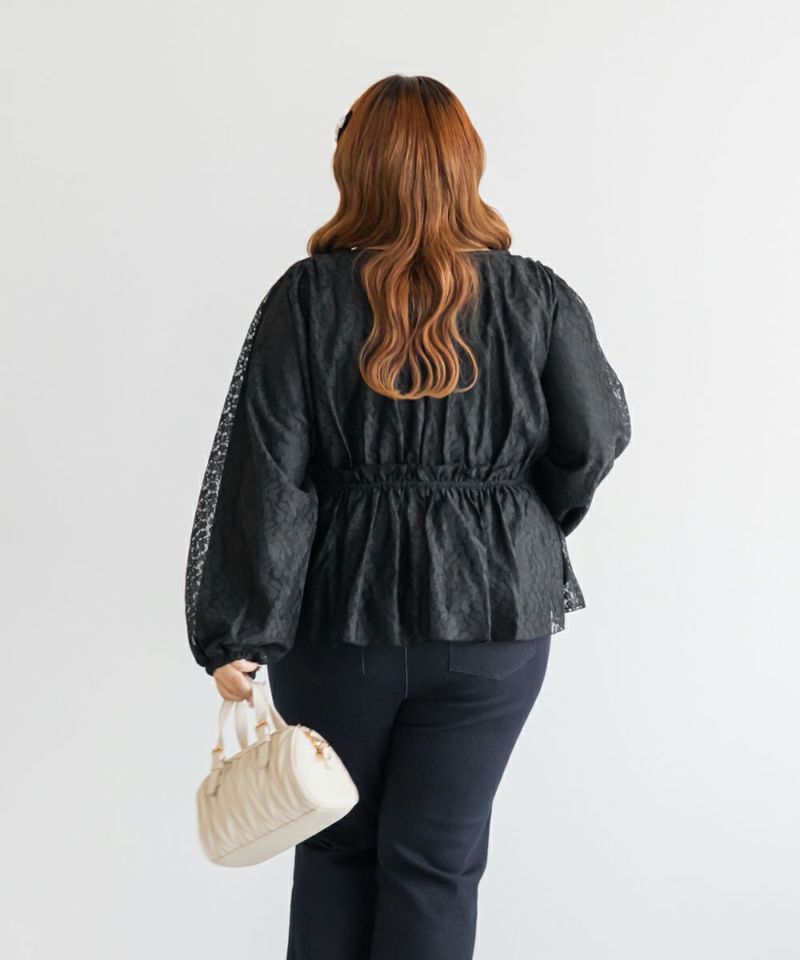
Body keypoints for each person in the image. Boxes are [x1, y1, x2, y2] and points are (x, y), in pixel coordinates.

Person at [184, 74, 631, 960]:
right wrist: (516, 524)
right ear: (467, 164)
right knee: (437, 864)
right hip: (496, 620)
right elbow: (596, 437)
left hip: (337, 621)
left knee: (335, 851)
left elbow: (267, 469)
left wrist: (238, 630)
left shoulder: (308, 297)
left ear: (356, 168)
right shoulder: (535, 295)